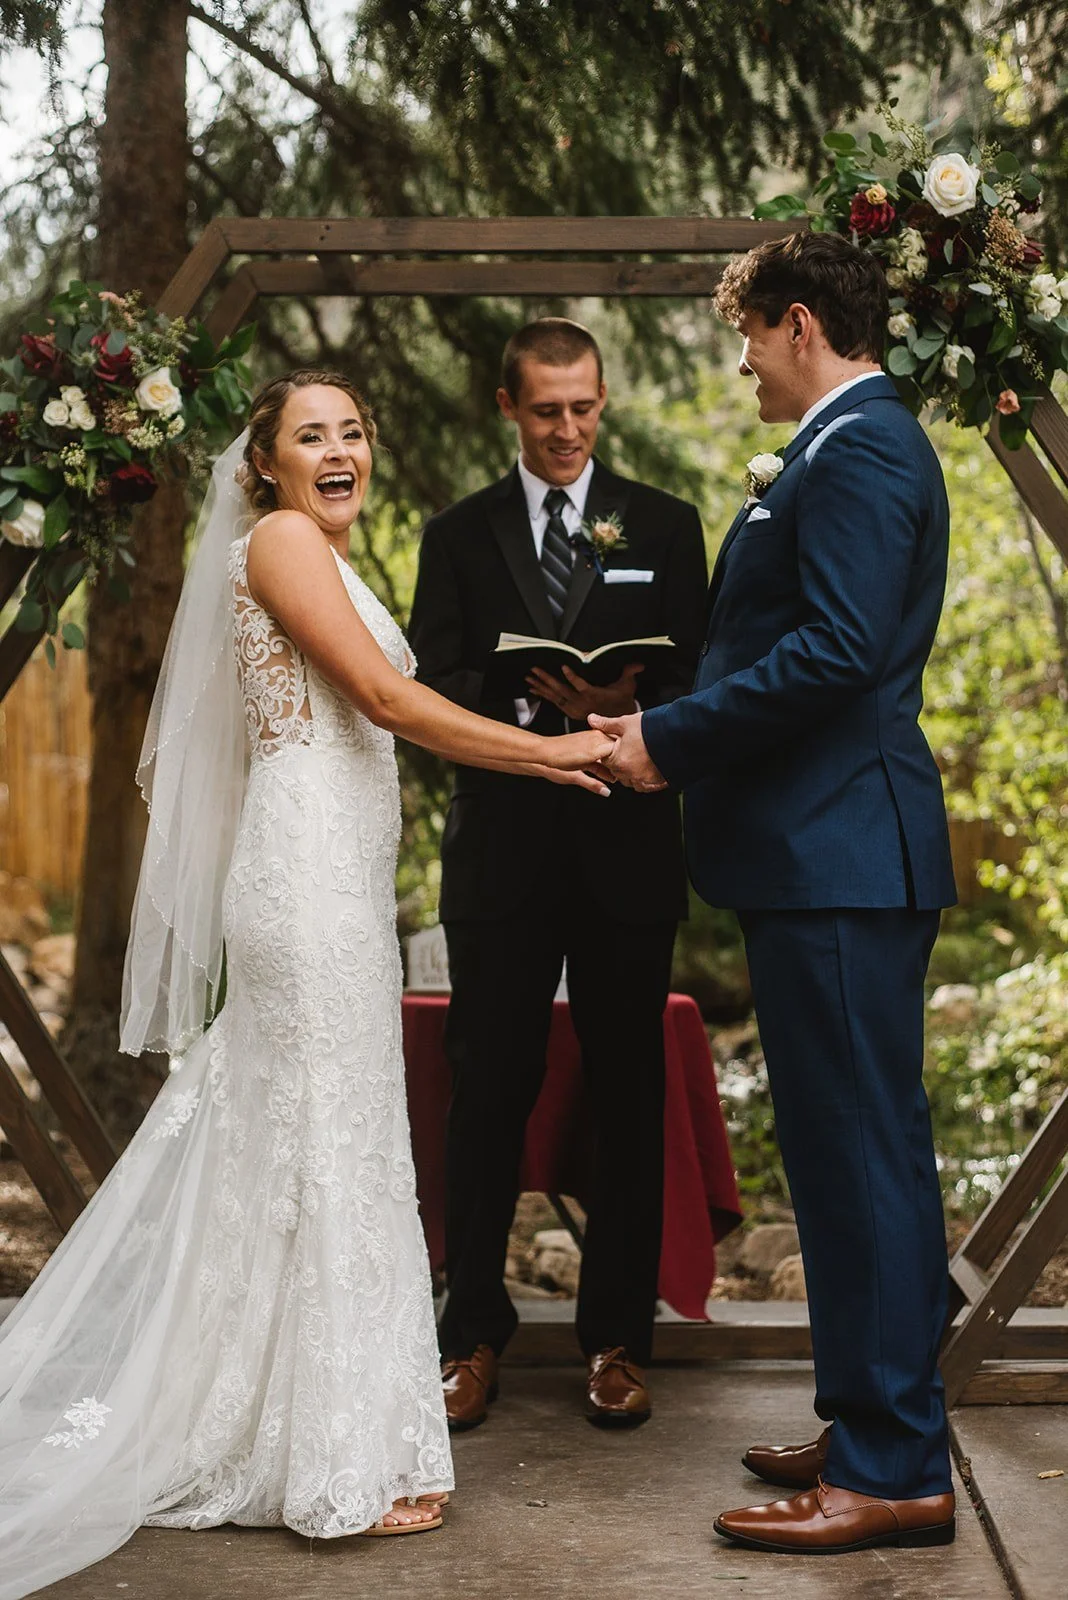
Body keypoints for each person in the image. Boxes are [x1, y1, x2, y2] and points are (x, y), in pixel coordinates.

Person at [0, 369, 615, 1599]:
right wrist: (550, 756)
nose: (341, 451)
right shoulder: (282, 541)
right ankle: (337, 1457)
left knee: (316, 1145)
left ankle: (303, 1430)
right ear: (266, 466)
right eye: (311, 436)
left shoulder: (317, 548)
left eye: (354, 431)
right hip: (303, 883)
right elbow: (386, 698)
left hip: (340, 881)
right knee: (328, 1144)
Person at [594, 234, 959, 1553]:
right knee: (857, 1161)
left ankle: (895, 1466)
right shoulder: (853, 443)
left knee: (860, 1167)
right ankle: (881, 1420)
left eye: (748, 335)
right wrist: (668, 702)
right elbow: (797, 641)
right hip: (830, 855)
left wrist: (668, 742)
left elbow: (841, 652)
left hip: (841, 857)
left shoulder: (857, 448)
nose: (741, 361)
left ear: (799, 325)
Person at [408, 318, 707, 1430]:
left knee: (630, 1091)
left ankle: (619, 1341)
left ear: (604, 399)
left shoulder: (666, 526)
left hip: (628, 849)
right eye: (547, 410)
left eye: (585, 407)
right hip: (503, 848)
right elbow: (429, 684)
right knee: (488, 1089)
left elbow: (706, 676)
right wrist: (536, 713)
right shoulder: (458, 535)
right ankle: (471, 1331)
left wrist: (629, 713)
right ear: (508, 407)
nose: (569, 429)